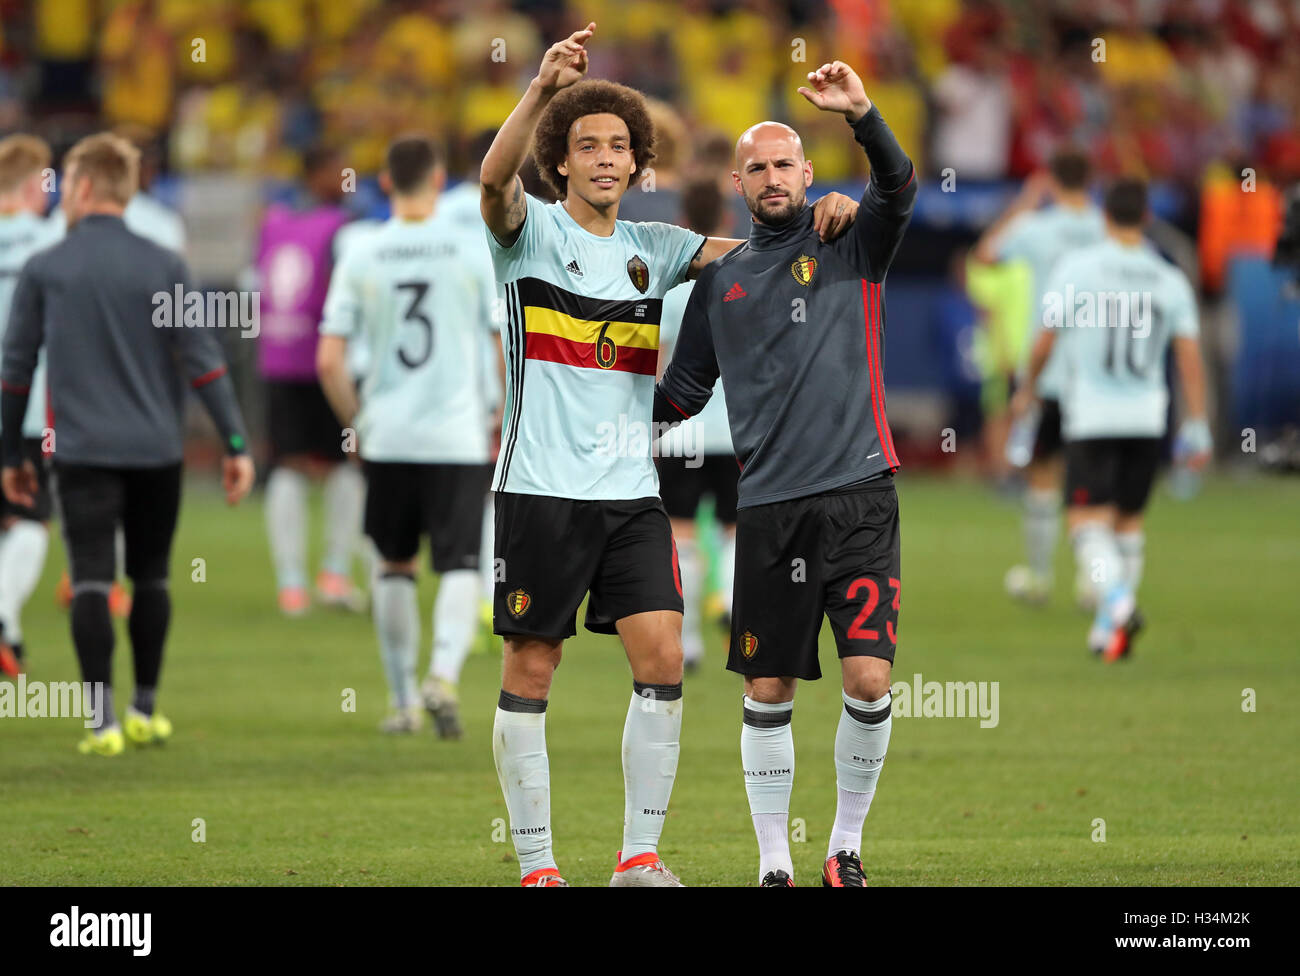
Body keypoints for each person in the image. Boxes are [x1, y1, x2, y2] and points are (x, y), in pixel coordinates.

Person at [479, 23, 859, 887]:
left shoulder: (659, 250)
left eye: (620, 146)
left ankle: (638, 858)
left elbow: (764, 259)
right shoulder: (525, 234)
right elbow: (493, 178)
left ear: (637, 160)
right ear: (562, 162)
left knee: (661, 661)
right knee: (532, 666)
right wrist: (539, 89)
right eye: (588, 147)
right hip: (541, 488)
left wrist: (830, 214)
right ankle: (538, 867)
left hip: (631, 493)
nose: (608, 159)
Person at [656, 60, 917, 887]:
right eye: (758, 167)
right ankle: (775, 864)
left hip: (862, 496)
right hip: (768, 508)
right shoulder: (719, 281)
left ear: (809, 173)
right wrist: (591, 408)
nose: (773, 178)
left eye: (786, 164)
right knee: (768, 687)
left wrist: (863, 114)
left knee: (870, 678)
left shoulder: (851, 241)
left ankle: (844, 846)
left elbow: (900, 184)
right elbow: (681, 395)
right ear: (739, 182)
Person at [0, 132, 255, 755]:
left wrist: (9, 456)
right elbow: (203, 363)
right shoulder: (163, 263)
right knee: (153, 579)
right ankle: (144, 708)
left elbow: (15, 371)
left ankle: (101, 723)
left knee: (90, 579)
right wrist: (234, 443)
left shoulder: (48, 267)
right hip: (156, 451)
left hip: (81, 449)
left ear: (84, 186)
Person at [317, 136, 500, 738]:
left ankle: (400, 702)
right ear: (440, 177)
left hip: (388, 433)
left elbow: (328, 360)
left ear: (386, 183)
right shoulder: (472, 250)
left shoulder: (363, 251)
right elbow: (501, 342)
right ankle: (443, 675)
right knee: (460, 563)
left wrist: (356, 423)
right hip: (456, 433)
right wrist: (499, 414)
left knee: (393, 564)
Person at [1013, 178, 1211, 660]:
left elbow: (1046, 339)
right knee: (1127, 526)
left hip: (1093, 418)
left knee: (1084, 526)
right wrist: (1198, 423)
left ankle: (1118, 601)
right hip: (1148, 418)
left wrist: (1029, 388)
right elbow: (1188, 357)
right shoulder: (1169, 279)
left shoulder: (1078, 269)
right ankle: (1108, 630)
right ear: (1146, 219)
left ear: (1105, 218)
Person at [975, 150, 1106, 606]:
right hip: (1097, 371)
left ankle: (1039, 576)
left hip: (1046, 369)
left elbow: (986, 253)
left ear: (1051, 180)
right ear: (1091, 179)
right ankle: (1092, 581)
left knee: (1043, 474)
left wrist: (1027, 201)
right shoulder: (1107, 228)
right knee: (1090, 476)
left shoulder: (1035, 228)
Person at [255, 145, 364, 616]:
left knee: (289, 465)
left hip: (277, 360)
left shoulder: (273, 223)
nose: (347, 180)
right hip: (323, 360)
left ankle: (292, 585)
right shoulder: (342, 231)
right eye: (340, 172)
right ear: (317, 173)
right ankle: (332, 576)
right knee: (347, 465)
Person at [655, 178, 739, 671]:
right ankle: (728, 601)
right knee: (735, 530)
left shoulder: (672, 284)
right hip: (735, 429)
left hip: (681, 431)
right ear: (728, 219)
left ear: (682, 221)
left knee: (681, 535)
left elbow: (660, 362)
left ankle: (687, 645)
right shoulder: (746, 277)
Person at [0, 135, 58, 677]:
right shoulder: (52, 241)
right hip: (31, 406)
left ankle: (10, 634)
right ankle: (2, 616)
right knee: (32, 521)